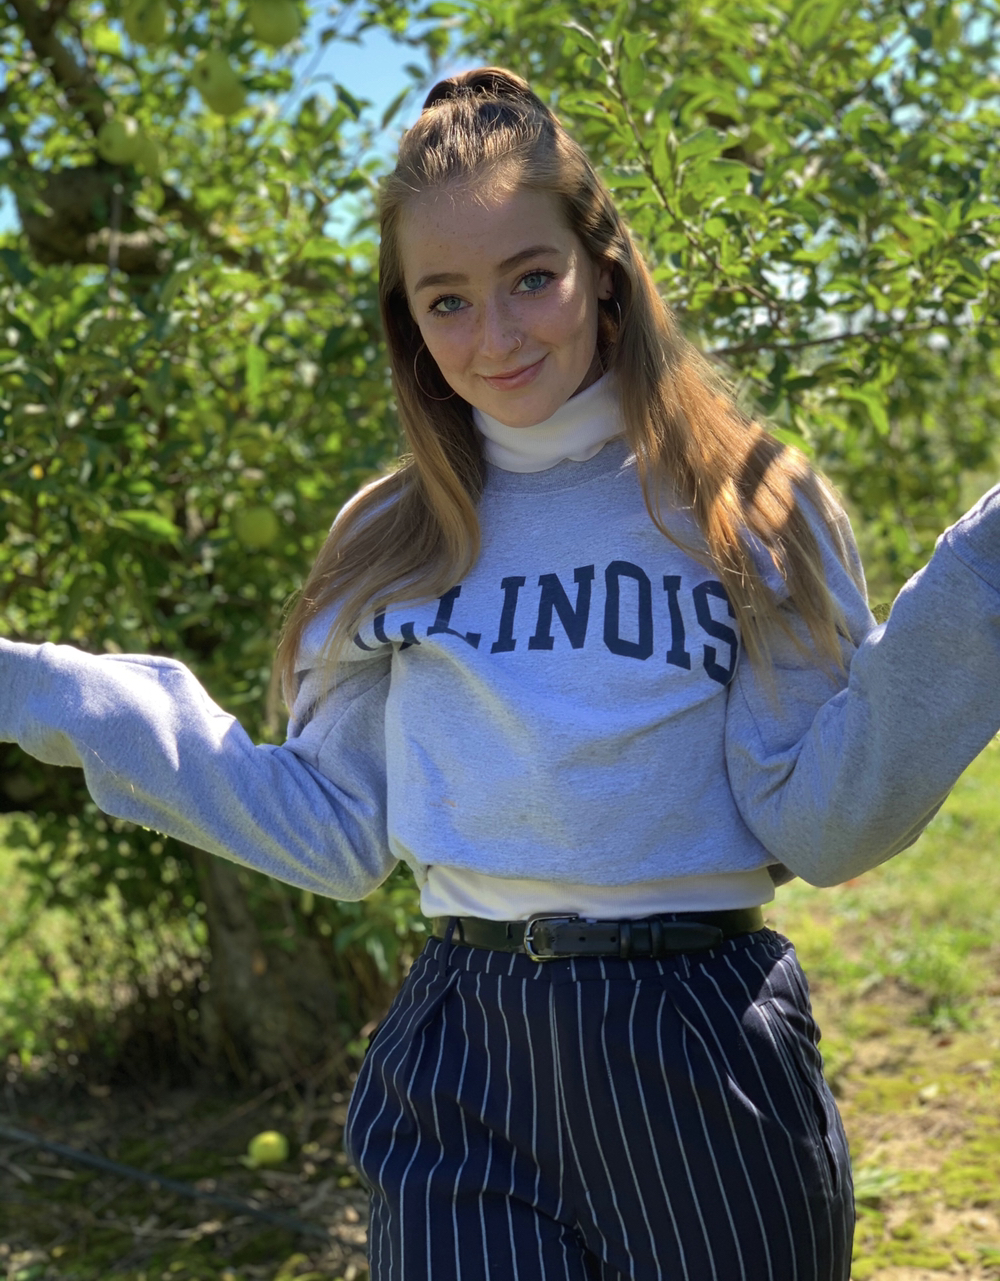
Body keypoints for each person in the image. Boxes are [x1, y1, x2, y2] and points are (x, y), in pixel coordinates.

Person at [3, 66, 1000, 1281]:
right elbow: (335, 831)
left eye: (532, 277)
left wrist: (980, 579)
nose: (496, 336)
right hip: (461, 1048)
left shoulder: (745, 503)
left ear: (602, 269)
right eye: (448, 300)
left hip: (701, 1038)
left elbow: (823, 821)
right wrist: (48, 692)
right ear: (408, 321)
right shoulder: (390, 535)